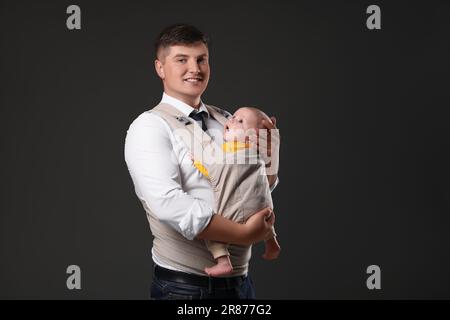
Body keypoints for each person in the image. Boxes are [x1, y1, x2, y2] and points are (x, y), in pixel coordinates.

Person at [124, 24, 280, 299]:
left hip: (241, 285)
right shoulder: (149, 126)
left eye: (201, 59)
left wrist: (271, 148)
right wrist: (243, 234)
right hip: (186, 288)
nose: (194, 68)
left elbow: (254, 187)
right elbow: (170, 205)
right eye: (181, 60)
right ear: (160, 68)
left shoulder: (229, 120)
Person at [193, 107, 281, 277]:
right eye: (233, 117)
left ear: (253, 136)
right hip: (262, 206)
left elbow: (215, 168)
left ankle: (223, 262)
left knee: (216, 236)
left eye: (240, 122)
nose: (231, 120)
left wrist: (196, 162)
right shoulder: (258, 154)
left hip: (239, 208)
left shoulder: (233, 151)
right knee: (266, 224)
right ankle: (272, 242)